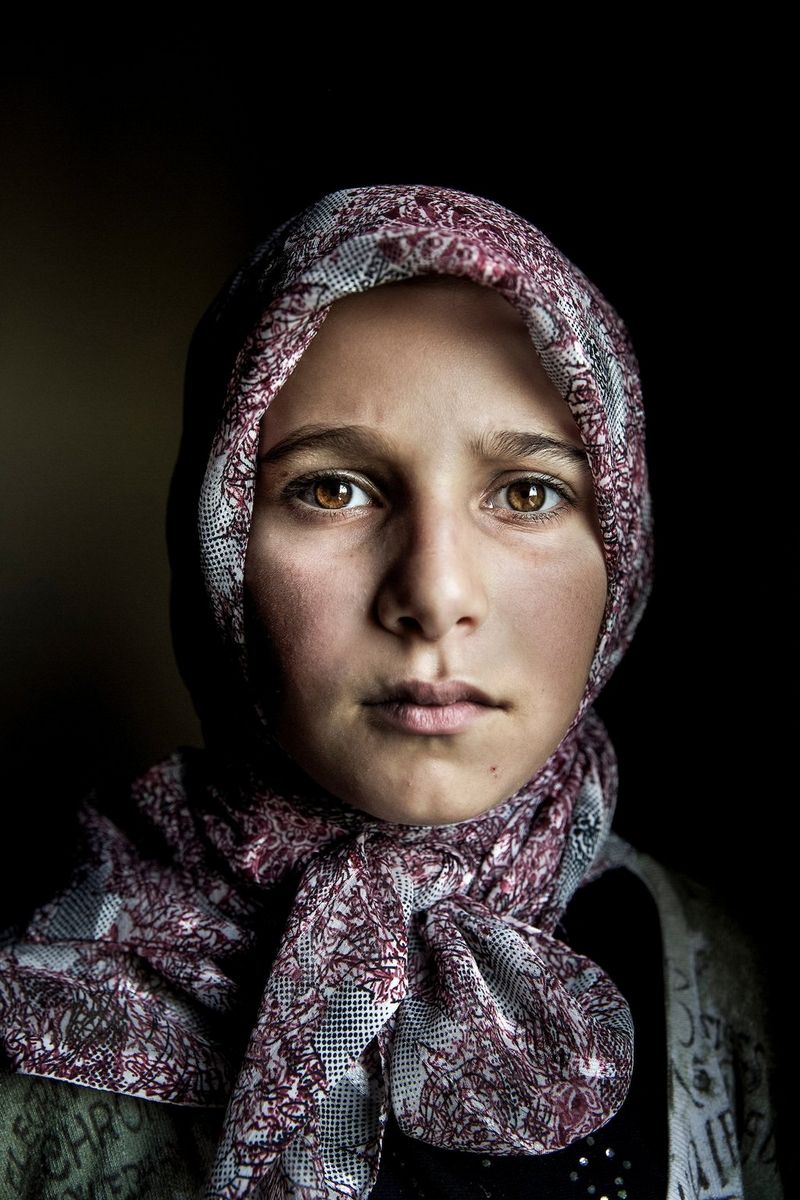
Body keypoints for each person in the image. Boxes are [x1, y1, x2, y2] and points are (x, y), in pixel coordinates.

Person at [0, 183, 781, 1199]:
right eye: (332, 488)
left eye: (526, 492)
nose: (433, 592)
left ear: (622, 552)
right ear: (219, 544)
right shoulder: (43, 999)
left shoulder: (734, 989)